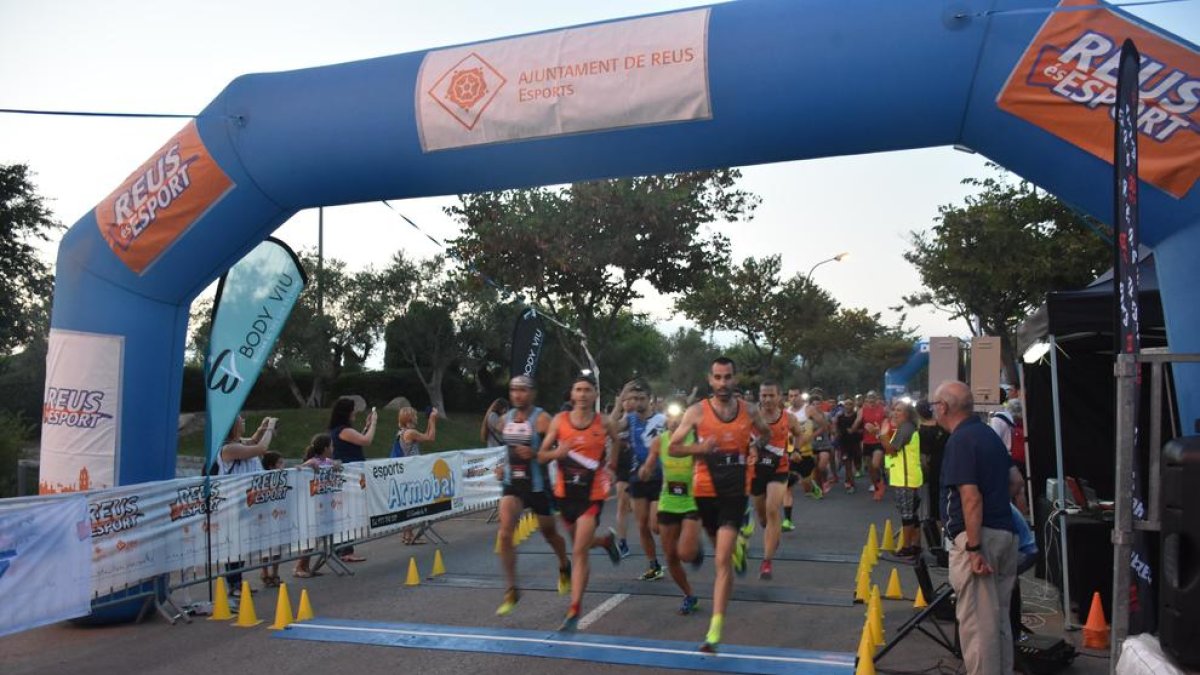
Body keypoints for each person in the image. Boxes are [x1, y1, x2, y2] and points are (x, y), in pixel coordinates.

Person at [670, 356, 773, 653]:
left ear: (735, 379)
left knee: (721, 560)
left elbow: (764, 433)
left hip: (734, 489)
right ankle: (739, 544)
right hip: (705, 489)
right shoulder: (697, 412)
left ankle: (715, 628)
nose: (723, 383)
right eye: (718, 377)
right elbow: (675, 447)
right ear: (710, 379)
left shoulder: (749, 411)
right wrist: (698, 448)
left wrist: (755, 445)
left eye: (728, 377)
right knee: (714, 549)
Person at [933, 381, 1018, 675]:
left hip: (979, 539)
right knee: (1000, 622)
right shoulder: (988, 435)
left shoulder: (960, 441)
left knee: (979, 628)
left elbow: (970, 497)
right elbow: (1015, 481)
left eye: (935, 405)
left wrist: (973, 546)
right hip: (1005, 534)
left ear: (943, 407)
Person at [538, 374, 623, 632]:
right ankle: (605, 541)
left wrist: (612, 467)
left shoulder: (605, 422)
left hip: (592, 494)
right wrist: (557, 453)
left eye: (588, 390)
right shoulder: (559, 421)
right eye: (579, 390)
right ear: (572, 395)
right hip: (566, 495)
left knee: (578, 552)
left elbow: (617, 442)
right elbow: (541, 455)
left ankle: (574, 608)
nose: (583, 394)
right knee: (579, 544)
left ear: (595, 395)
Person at [491, 375, 571, 616]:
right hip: (512, 484)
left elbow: (562, 451)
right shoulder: (504, 420)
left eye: (523, 390)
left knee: (550, 534)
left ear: (532, 393)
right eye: (513, 390)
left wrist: (536, 453)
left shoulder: (543, 419)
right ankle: (511, 589)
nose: (517, 394)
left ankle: (564, 565)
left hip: (538, 486)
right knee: (505, 533)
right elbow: (505, 448)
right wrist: (502, 466)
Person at [639, 397, 705, 614]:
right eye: (670, 416)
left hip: (692, 501)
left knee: (685, 553)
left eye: (679, 417)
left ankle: (694, 548)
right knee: (670, 556)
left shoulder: (695, 441)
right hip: (668, 500)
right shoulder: (660, 441)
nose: (674, 421)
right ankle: (689, 595)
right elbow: (649, 463)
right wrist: (645, 471)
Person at [748, 381, 806, 580]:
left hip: (778, 470)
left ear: (779, 396)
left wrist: (796, 450)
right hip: (755, 472)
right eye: (764, 395)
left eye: (771, 395)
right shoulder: (750, 417)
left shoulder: (788, 418)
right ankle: (772, 535)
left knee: (773, 509)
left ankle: (766, 561)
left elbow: (799, 434)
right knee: (763, 517)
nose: (767, 399)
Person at [612, 380, 667, 581]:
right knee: (642, 525)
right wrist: (620, 402)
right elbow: (610, 428)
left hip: (660, 477)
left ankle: (678, 537)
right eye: (634, 398)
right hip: (636, 478)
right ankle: (654, 565)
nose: (638, 402)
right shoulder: (630, 419)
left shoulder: (663, 420)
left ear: (650, 399)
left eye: (642, 398)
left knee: (655, 525)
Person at [218, 413, 275, 594]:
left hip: (247, 501)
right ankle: (233, 584)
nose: (243, 421)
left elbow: (252, 440)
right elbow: (261, 448)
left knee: (241, 544)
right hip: (234, 502)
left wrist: (262, 427)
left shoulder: (239, 443)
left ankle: (238, 581)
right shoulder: (228, 449)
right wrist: (271, 428)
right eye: (240, 420)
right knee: (234, 544)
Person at [330, 397, 377, 563]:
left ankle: (344, 548)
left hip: (350, 472)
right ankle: (345, 549)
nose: (354, 414)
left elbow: (358, 441)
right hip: (349, 474)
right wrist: (373, 424)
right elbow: (366, 441)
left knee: (349, 510)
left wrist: (366, 426)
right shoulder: (343, 430)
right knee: (348, 511)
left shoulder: (342, 430)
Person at [878, 400, 923, 557]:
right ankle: (916, 544)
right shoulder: (906, 428)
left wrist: (882, 434)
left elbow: (891, 449)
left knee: (907, 514)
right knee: (912, 512)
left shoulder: (906, 429)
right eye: (894, 410)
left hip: (906, 478)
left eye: (899, 410)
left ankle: (906, 546)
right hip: (906, 477)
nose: (895, 413)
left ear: (908, 414)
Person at [295, 433, 338, 578]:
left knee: (317, 537)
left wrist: (337, 466)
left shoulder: (327, 461)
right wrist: (307, 465)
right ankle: (299, 566)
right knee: (311, 537)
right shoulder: (314, 461)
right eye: (331, 445)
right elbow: (299, 468)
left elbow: (338, 467)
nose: (333, 448)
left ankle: (307, 566)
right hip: (313, 505)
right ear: (325, 448)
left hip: (324, 505)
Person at [915, 400, 948, 530]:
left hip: (932, 465)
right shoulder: (942, 427)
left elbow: (923, 454)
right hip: (945, 463)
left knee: (933, 496)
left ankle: (936, 524)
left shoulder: (921, 431)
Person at [852, 391, 888, 501]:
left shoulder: (883, 409)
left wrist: (881, 429)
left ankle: (880, 481)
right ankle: (877, 485)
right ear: (866, 399)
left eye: (873, 397)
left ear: (877, 398)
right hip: (867, 442)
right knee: (871, 468)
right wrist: (856, 424)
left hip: (878, 441)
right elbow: (855, 425)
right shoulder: (862, 410)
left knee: (875, 464)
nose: (871, 400)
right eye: (869, 398)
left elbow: (891, 423)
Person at [259, 451, 285, 587]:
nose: (283, 466)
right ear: (271, 466)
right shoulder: (263, 479)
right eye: (280, 463)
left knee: (277, 546)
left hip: (279, 515)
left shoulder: (284, 477)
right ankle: (265, 572)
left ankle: (275, 572)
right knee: (265, 546)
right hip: (265, 517)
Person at [836, 398, 862, 493]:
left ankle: (858, 470)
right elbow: (836, 430)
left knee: (857, 463)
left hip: (855, 443)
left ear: (853, 405)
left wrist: (855, 430)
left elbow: (862, 429)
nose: (848, 406)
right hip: (844, 444)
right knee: (847, 464)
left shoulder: (857, 417)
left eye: (850, 404)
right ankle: (849, 483)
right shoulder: (840, 417)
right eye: (846, 404)